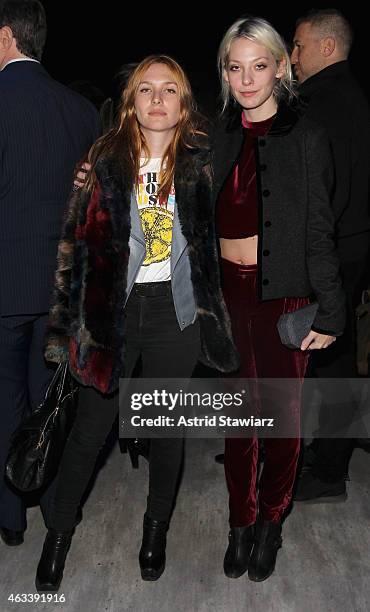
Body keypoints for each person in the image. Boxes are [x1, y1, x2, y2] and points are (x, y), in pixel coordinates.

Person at [35, 54, 238, 591]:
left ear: (183, 103)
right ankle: (57, 536)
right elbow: (72, 247)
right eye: (144, 89)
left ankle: (156, 530)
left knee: (167, 430)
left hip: (175, 310)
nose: (155, 99)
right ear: (130, 104)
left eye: (168, 89)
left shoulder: (203, 160)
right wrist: (65, 329)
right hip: (113, 311)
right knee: (89, 432)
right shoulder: (103, 160)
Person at [213, 16, 345, 581]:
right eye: (235, 67)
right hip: (226, 298)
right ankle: (239, 524)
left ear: (281, 68)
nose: (247, 79)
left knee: (282, 420)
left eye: (259, 65)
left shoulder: (307, 136)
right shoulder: (213, 135)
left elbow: (320, 230)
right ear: (223, 72)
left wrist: (333, 309)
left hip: (286, 299)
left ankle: (270, 523)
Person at [0, 0, 100, 548]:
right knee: (50, 401)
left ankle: (11, 517)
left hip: (5, 279)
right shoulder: (80, 109)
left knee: (6, 398)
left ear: (7, 36)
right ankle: (57, 503)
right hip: (61, 281)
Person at [290, 9, 370, 503]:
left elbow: (325, 194)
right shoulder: (347, 98)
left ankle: (325, 471)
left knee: (329, 361)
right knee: (320, 360)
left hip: (330, 254)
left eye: (298, 46)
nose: (292, 56)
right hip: (348, 248)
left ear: (326, 47)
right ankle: (292, 454)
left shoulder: (328, 103)